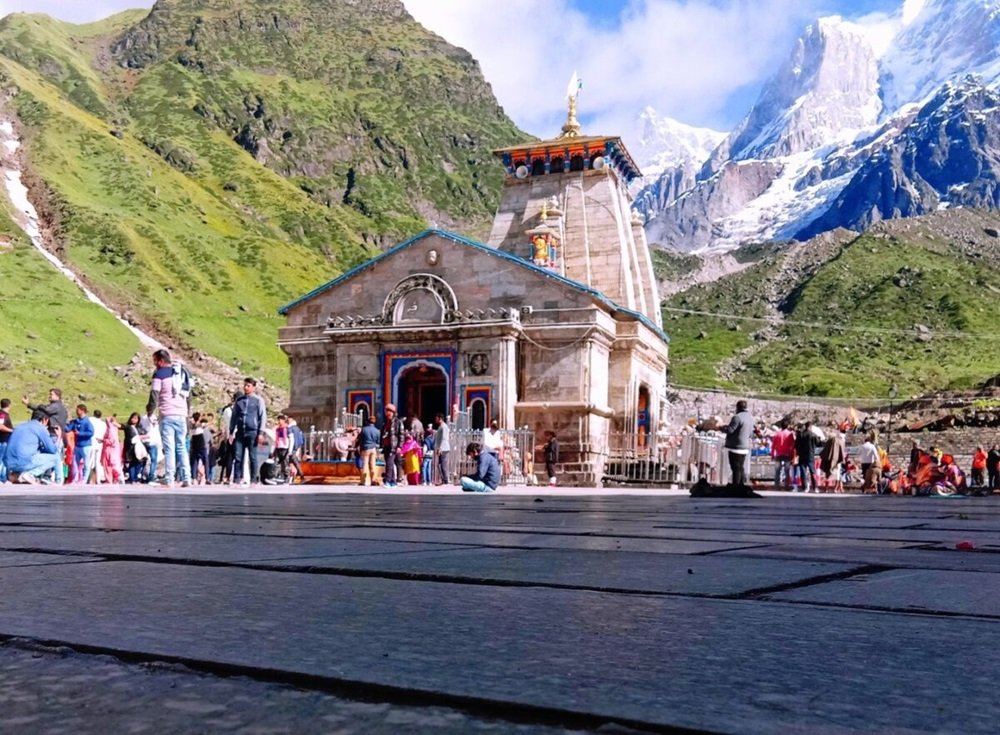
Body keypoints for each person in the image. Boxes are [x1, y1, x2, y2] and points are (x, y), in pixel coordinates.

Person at [146, 349, 192, 488]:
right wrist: (187, 413)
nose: (154, 364)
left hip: (167, 414)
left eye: (155, 361)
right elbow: (189, 396)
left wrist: (149, 411)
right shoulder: (183, 373)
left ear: (160, 361)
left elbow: (154, 395)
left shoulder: (159, 374)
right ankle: (187, 478)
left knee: (169, 447)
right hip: (182, 414)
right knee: (181, 446)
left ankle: (170, 478)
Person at [23, 388, 67, 484]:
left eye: (51, 394)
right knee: (54, 457)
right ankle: (51, 477)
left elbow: (45, 410)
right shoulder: (56, 407)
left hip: (54, 434)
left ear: (57, 396)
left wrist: (34, 405)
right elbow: (43, 411)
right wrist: (29, 404)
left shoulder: (56, 406)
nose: (49, 396)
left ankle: (55, 478)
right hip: (54, 434)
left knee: (54, 457)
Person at [5, 409, 60, 484]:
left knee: (31, 454)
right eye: (48, 421)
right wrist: (59, 437)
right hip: (24, 462)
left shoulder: (20, 426)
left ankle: (15, 476)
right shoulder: (40, 428)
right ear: (44, 419)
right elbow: (53, 450)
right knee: (56, 457)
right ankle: (32, 474)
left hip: (9, 463)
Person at [229, 377, 266, 485]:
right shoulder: (239, 401)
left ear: (253, 387)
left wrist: (261, 433)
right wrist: (231, 432)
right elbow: (234, 417)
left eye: (248, 386)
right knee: (238, 456)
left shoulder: (258, 401)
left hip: (252, 432)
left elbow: (262, 417)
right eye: (245, 385)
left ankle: (254, 479)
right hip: (240, 432)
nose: (246, 388)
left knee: (253, 457)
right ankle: (237, 478)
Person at [723, 400, 753, 487]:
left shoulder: (737, 417)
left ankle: (736, 486)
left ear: (737, 407)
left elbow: (730, 430)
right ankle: (741, 485)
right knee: (741, 467)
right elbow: (751, 434)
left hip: (735, 447)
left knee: (735, 468)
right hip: (745, 447)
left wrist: (721, 427)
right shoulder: (750, 418)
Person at [66, 404, 94, 484]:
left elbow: (91, 432)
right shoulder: (75, 421)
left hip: (86, 446)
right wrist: (62, 424)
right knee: (74, 463)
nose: (76, 411)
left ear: (82, 411)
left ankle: (84, 480)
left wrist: (80, 433)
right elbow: (68, 428)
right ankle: (75, 479)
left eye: (77, 410)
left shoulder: (87, 422)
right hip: (77, 446)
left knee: (86, 464)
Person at [379, 403, 404, 488]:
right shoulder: (385, 423)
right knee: (389, 463)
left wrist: (399, 446)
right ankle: (393, 482)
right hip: (386, 445)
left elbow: (401, 435)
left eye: (389, 412)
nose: (387, 414)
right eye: (386, 411)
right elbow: (382, 434)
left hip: (393, 446)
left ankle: (387, 481)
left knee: (389, 463)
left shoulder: (398, 422)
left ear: (392, 412)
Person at [794, 421, 820, 493]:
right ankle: (815, 487)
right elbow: (818, 443)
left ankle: (805, 487)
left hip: (802, 455)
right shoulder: (813, 435)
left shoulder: (800, 435)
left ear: (805, 426)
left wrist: (799, 452)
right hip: (810, 455)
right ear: (810, 427)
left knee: (803, 471)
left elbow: (796, 445)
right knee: (813, 471)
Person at [819, 426, 845, 494]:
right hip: (836, 461)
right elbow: (842, 451)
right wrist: (842, 459)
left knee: (827, 474)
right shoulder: (839, 441)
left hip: (828, 459)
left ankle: (826, 488)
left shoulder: (829, 441)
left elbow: (823, 451)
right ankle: (835, 489)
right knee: (837, 475)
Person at [770, 420, 795, 491]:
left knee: (777, 471)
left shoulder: (777, 434)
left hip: (778, 454)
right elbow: (792, 446)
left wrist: (772, 455)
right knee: (787, 471)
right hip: (787, 454)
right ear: (787, 426)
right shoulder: (790, 434)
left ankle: (776, 486)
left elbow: (773, 445)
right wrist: (792, 455)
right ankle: (786, 486)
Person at [356, 415, 381, 486]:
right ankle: (373, 480)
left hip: (365, 448)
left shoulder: (364, 429)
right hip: (373, 449)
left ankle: (364, 481)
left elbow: (360, 439)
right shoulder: (377, 431)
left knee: (365, 464)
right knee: (373, 464)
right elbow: (378, 441)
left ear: (368, 421)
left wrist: (359, 447)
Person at [101, 415, 124, 484]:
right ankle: (113, 479)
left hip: (109, 450)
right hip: (112, 450)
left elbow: (111, 441)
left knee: (108, 466)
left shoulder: (110, 429)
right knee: (112, 465)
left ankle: (110, 480)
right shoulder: (113, 428)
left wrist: (103, 440)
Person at [123, 412, 146, 484]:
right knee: (132, 463)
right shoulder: (127, 426)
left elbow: (145, 434)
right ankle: (132, 478)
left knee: (139, 463)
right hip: (130, 448)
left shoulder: (140, 428)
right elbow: (120, 426)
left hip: (138, 448)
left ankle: (136, 478)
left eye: (135, 418)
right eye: (132, 418)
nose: (133, 420)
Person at [90, 410, 108, 483]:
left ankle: (89, 479)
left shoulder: (90, 420)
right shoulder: (103, 424)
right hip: (99, 442)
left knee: (90, 461)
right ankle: (98, 479)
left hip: (92, 442)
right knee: (98, 462)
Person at [433, 412, 450, 485]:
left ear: (440, 418)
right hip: (441, 447)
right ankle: (443, 479)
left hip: (443, 448)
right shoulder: (441, 426)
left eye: (437, 418)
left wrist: (440, 448)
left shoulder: (443, 426)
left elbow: (443, 438)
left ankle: (445, 479)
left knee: (443, 464)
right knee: (439, 464)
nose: (435, 420)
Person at [273, 414, 290, 483]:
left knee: (284, 462)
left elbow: (285, 438)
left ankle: (286, 476)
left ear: (283, 420)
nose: (279, 421)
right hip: (278, 446)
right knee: (278, 462)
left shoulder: (285, 428)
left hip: (284, 447)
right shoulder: (278, 429)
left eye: (280, 420)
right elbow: (276, 438)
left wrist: (287, 446)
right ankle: (278, 475)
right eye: (278, 420)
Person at [0, 398, 14, 483]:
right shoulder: (2, 415)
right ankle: (2, 478)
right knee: (2, 459)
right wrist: (12, 430)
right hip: (3, 441)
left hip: (4, 441)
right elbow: (0, 426)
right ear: (9, 405)